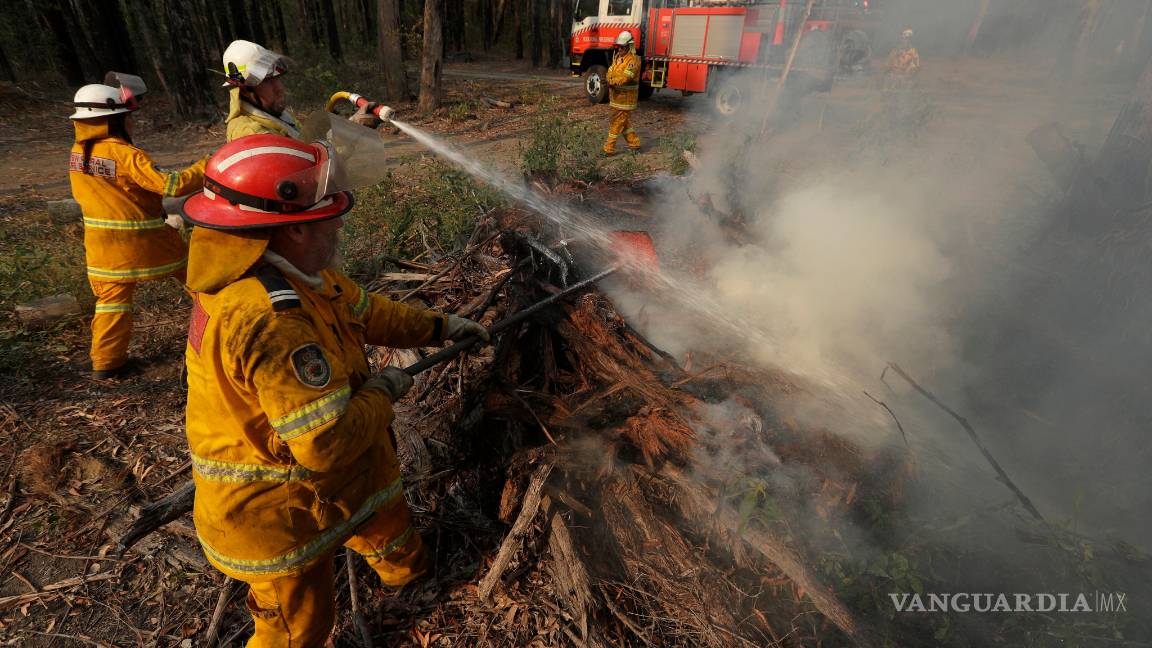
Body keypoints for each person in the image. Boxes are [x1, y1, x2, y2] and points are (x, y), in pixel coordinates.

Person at [179, 133, 489, 646]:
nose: (341, 223)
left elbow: (366, 311)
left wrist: (442, 326)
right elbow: (323, 445)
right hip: (278, 513)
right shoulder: (269, 318)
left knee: (386, 517)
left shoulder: (296, 274)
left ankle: (409, 584)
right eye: (331, 214)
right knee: (299, 629)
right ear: (294, 226)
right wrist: (384, 391)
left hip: (342, 480)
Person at [68, 77, 206, 379]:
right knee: (200, 280)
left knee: (111, 304)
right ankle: (219, 334)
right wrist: (207, 165)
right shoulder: (125, 155)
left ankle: (107, 363)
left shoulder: (78, 152)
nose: (132, 122)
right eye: (127, 116)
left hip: (101, 249)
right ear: (112, 120)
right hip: (145, 241)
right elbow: (172, 185)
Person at [222, 40, 379, 142]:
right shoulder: (250, 133)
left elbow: (306, 145)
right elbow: (304, 169)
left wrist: (349, 126)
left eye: (277, 79)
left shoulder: (274, 116)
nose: (280, 88)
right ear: (244, 89)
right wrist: (352, 131)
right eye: (268, 81)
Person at [602, 31, 643, 156]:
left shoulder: (633, 61)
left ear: (629, 46)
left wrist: (612, 82)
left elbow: (627, 77)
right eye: (617, 46)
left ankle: (608, 149)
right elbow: (610, 71)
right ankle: (635, 144)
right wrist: (609, 79)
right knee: (624, 123)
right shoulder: (617, 58)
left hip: (626, 99)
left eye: (622, 47)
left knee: (616, 123)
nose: (619, 49)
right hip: (615, 98)